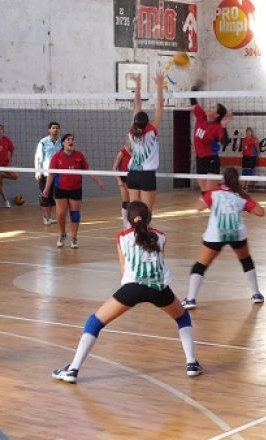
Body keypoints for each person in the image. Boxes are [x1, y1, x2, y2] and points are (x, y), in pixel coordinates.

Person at [52, 201, 202, 384]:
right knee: (183, 318)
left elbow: (124, 270)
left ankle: (73, 369)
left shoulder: (122, 237)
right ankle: (191, 363)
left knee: (94, 323)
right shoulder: (161, 236)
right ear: (149, 217)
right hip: (159, 288)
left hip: (132, 288)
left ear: (128, 219)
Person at [182, 167, 265, 309]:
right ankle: (256, 294)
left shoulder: (213, 193)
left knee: (200, 266)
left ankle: (190, 299)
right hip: (237, 233)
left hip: (216, 234)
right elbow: (261, 212)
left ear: (223, 179)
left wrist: (206, 195)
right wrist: (247, 202)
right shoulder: (242, 196)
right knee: (246, 260)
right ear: (237, 180)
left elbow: (199, 207)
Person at [42, 134, 105, 249]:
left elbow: (87, 170)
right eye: (68, 139)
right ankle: (62, 234)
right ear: (63, 143)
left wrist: (98, 180)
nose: (71, 141)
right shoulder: (57, 156)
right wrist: (46, 189)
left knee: (75, 214)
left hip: (75, 188)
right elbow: (51, 174)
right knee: (61, 214)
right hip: (60, 188)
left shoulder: (79, 156)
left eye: (72, 140)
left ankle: (74, 237)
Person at [126, 71, 165, 210]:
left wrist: (137, 85)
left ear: (135, 121)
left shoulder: (132, 131)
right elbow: (160, 105)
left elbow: (137, 103)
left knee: (134, 211)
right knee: (146, 213)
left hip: (132, 174)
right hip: (147, 175)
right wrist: (159, 85)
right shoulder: (151, 131)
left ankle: (133, 226)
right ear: (147, 122)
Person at [190, 82, 233, 192]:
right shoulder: (201, 117)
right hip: (199, 159)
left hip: (211, 160)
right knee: (204, 192)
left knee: (210, 193)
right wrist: (194, 90)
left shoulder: (217, 127)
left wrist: (224, 126)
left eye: (213, 108)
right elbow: (193, 102)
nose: (210, 108)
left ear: (217, 115)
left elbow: (224, 143)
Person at [35, 121, 62, 225]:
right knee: (45, 194)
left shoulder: (61, 142)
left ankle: (49, 217)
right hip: (45, 172)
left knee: (52, 196)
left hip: (57, 173)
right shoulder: (43, 142)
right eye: (53, 128)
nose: (55, 130)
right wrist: (37, 171)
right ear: (49, 130)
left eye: (57, 128)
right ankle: (45, 217)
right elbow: (38, 158)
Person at [0, 123, 19, 208]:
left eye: (1, 129)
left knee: (15, 176)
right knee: (0, 183)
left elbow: (12, 150)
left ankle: (1, 175)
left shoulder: (6, 139)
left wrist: (10, 160)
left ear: (3, 130)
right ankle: (6, 201)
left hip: (5, 164)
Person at [112, 142, 132, 228]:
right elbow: (114, 168)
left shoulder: (136, 152)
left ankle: (132, 221)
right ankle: (125, 223)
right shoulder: (122, 152)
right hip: (123, 179)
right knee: (126, 202)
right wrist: (119, 180)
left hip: (133, 178)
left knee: (134, 202)